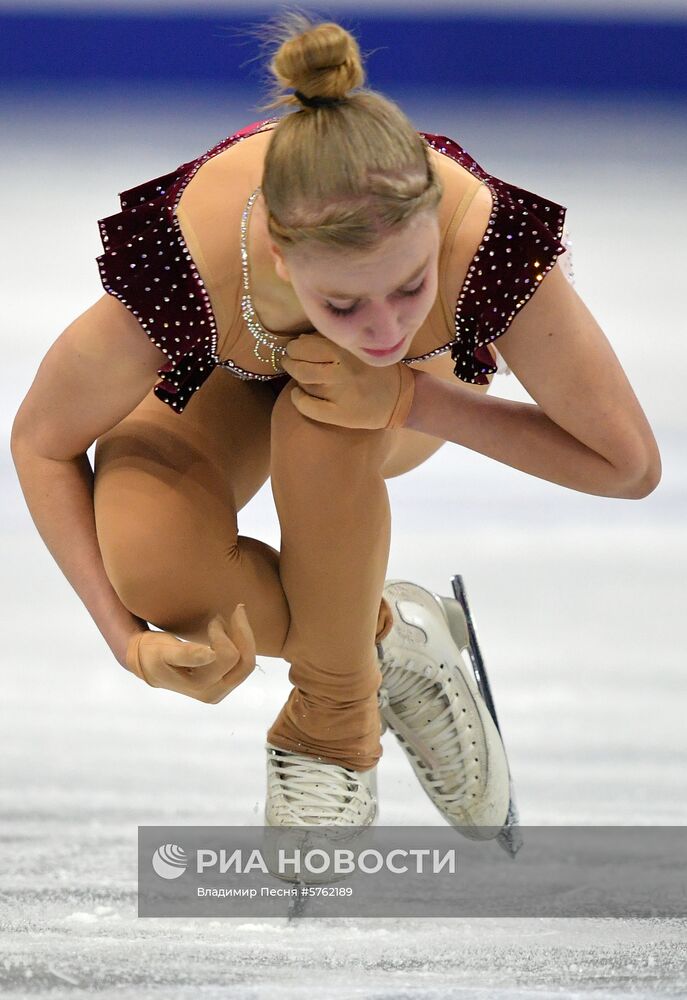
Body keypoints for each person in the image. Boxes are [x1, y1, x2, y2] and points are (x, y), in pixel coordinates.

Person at [10, 13, 661, 839]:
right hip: (229, 378)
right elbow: (41, 437)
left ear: (432, 229)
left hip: (395, 408)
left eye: (410, 286)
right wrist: (123, 641)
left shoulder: (482, 238)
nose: (383, 326)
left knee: (326, 414)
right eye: (342, 302)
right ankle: (389, 639)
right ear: (279, 257)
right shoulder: (193, 255)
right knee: (156, 568)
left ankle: (332, 721)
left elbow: (626, 465)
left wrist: (406, 399)